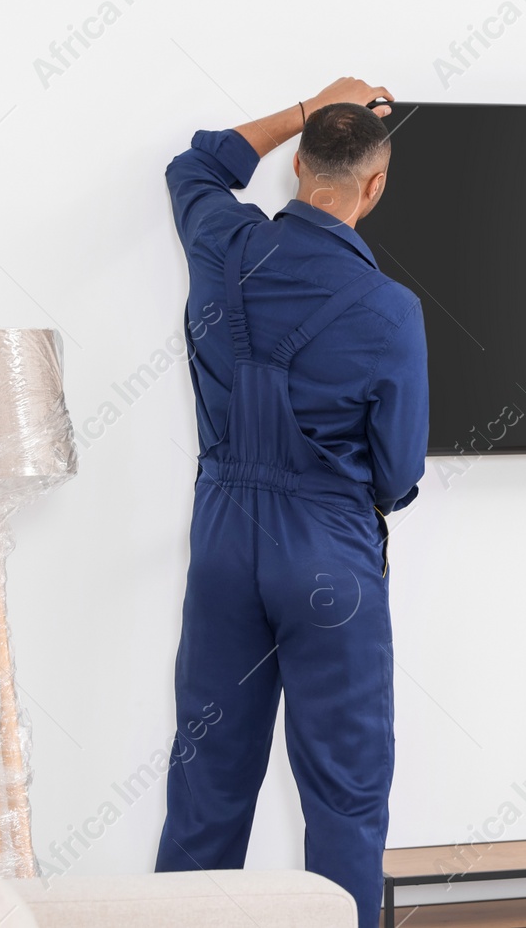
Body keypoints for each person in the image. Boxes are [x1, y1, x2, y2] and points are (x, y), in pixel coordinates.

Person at [155, 76, 428, 928]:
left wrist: (304, 106)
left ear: (297, 165)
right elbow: (398, 473)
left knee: (207, 780)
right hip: (328, 555)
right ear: (374, 186)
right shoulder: (390, 308)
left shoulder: (222, 241)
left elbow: (194, 165)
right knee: (344, 795)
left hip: (224, 545)